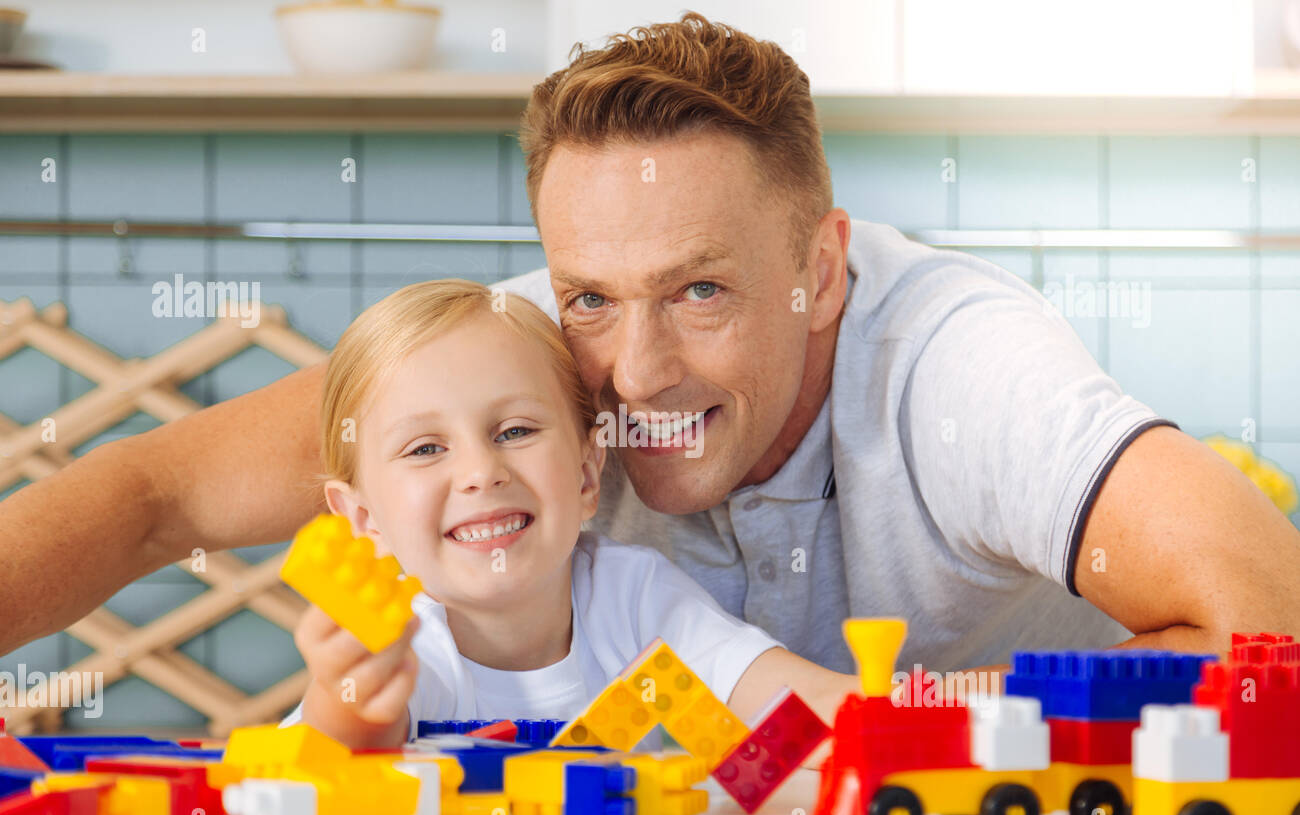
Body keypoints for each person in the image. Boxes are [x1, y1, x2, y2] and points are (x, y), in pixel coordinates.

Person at [2, 13, 1298, 678]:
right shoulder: (515, 362)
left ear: (821, 271)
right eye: (592, 299)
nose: (631, 372)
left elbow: (1274, 617)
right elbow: (153, 492)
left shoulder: (956, 368)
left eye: (699, 295)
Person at [280, 279, 853, 749]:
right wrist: (350, 692)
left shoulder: (635, 599)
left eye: (516, 431)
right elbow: (343, 760)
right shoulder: (408, 646)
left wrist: (904, 709)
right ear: (362, 521)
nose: (481, 471)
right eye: (426, 448)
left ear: (585, 473)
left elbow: (785, 700)